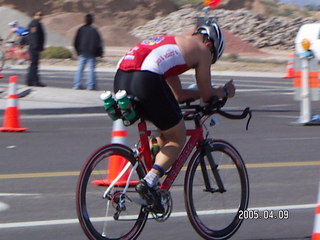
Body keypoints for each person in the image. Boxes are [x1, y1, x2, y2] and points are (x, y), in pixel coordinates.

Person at [113, 18, 235, 213]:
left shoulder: (175, 43)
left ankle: (153, 158)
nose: (208, 60)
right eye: (212, 58)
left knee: (166, 124)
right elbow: (206, 94)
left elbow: (178, 96)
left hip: (121, 76)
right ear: (210, 43)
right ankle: (149, 181)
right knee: (177, 135)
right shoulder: (202, 50)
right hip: (146, 76)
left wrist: (199, 93)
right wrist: (224, 91)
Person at [73, 13, 103, 90]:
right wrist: (100, 53)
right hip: (92, 53)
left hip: (82, 52)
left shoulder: (80, 29)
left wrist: (78, 51)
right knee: (91, 69)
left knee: (80, 69)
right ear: (92, 21)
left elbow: (76, 41)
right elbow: (99, 42)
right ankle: (91, 85)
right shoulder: (94, 30)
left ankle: (77, 84)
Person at [26, 10, 46, 87]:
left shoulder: (37, 23)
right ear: (34, 15)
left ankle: (31, 81)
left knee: (33, 65)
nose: (40, 16)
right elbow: (34, 36)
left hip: (35, 47)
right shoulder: (35, 23)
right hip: (34, 47)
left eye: (41, 15)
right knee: (34, 65)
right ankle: (34, 81)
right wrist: (36, 46)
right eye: (39, 15)